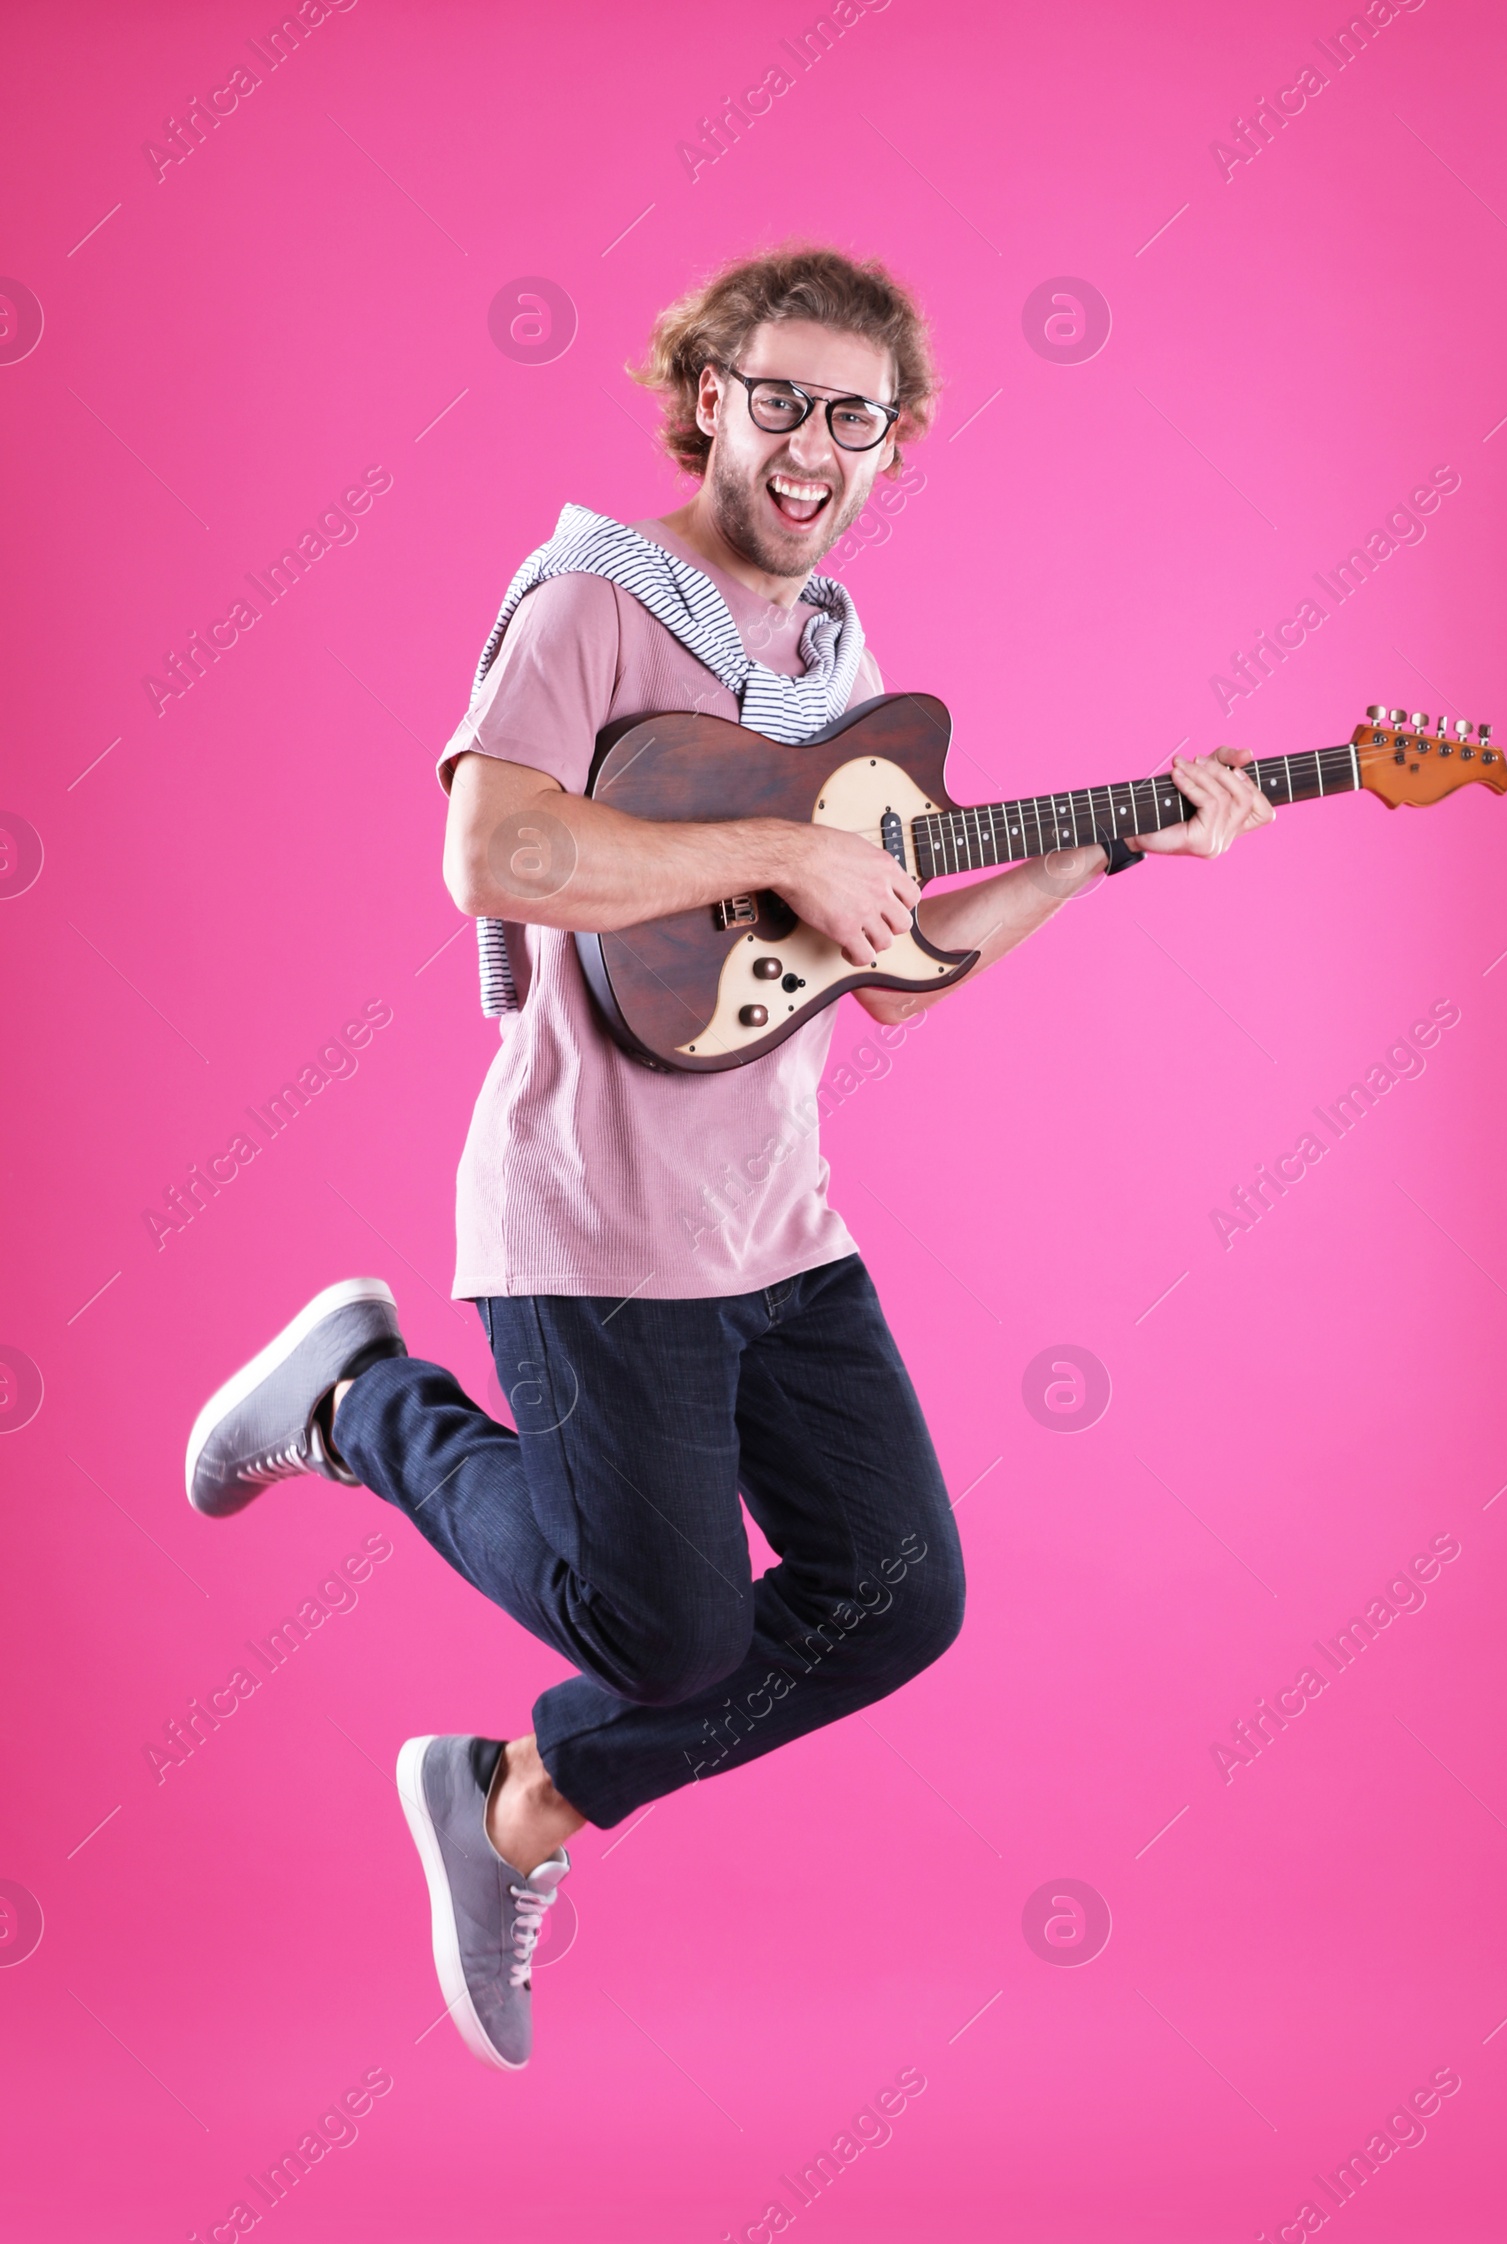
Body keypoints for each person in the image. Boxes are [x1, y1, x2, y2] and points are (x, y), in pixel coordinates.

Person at [182, 244, 1274, 2072]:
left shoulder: (839, 664)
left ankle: (516, 1795)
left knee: (896, 1596)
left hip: (774, 1228)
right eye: (777, 398)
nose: (810, 445)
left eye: (855, 416)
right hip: (593, 1226)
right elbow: (496, 857)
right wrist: (775, 848)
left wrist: (1110, 850)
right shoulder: (591, 604)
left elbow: (891, 981)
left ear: (895, 445)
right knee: (668, 1639)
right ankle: (369, 1400)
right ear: (706, 393)